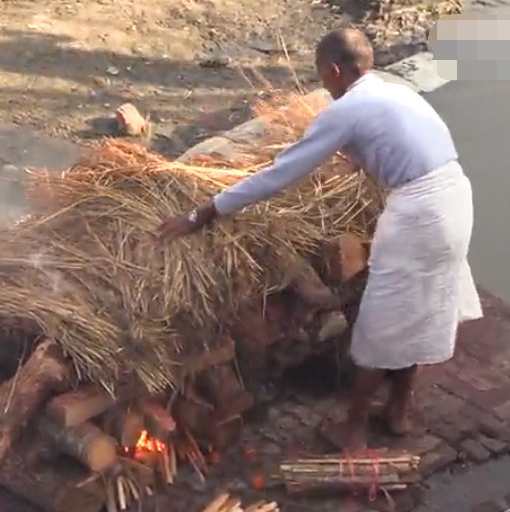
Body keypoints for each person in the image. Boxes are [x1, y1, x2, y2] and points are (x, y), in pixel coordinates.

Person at [157, 28, 483, 452]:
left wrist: (204, 211)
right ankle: (398, 414)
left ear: (334, 70)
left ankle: (352, 434)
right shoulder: (398, 94)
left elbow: (280, 173)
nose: (324, 87)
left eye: (322, 77)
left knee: (381, 326)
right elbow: (390, 151)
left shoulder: (346, 109)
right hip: (457, 199)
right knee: (422, 311)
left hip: (420, 214)